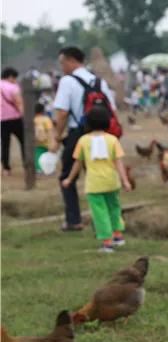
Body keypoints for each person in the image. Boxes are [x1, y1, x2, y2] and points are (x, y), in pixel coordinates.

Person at [50, 46, 117, 231]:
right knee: (97, 175)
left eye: (63, 63)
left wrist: (57, 136)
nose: (62, 67)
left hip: (77, 134)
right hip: (100, 135)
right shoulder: (98, 81)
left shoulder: (67, 81)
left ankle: (73, 220)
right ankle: (105, 219)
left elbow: (62, 112)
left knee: (67, 176)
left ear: (71, 60)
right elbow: (112, 110)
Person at [59, 106, 132, 252]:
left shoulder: (83, 141)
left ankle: (107, 242)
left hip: (94, 185)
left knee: (100, 212)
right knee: (114, 208)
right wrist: (125, 181)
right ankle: (118, 235)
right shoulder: (112, 140)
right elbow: (118, 162)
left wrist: (69, 179)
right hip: (112, 182)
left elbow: (78, 163)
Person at [1, 67, 24, 176]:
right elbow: (19, 103)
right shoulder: (13, 87)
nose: (15, 80)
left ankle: (6, 168)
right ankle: (27, 165)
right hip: (15, 119)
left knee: (5, 144)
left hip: (2, 120)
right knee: (24, 142)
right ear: (10, 77)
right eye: (14, 78)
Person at [33, 103, 53, 172]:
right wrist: (51, 141)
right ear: (43, 110)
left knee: (38, 154)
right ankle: (43, 167)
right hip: (45, 141)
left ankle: (38, 168)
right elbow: (50, 131)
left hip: (36, 140)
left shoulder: (33, 119)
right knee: (45, 154)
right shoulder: (46, 119)